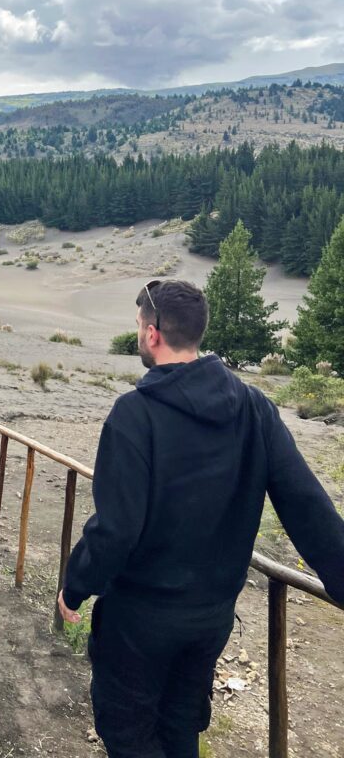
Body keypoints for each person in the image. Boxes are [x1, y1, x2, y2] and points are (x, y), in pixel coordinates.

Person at [58, 278, 344, 758]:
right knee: (180, 727)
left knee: (129, 733)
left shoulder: (133, 414)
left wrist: (75, 585)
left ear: (152, 334)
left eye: (138, 325)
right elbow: (306, 504)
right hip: (211, 618)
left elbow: (116, 528)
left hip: (139, 620)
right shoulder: (254, 407)